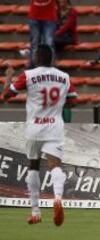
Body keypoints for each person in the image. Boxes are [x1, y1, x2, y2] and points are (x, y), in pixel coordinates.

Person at [2, 44, 78, 226]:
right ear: (51, 58)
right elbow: (74, 101)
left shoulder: (29, 75)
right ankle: (58, 198)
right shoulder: (64, 77)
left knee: (33, 166)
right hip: (54, 126)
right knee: (55, 166)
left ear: (36, 58)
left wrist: (8, 77)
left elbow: (6, 95)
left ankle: (36, 212)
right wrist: (58, 107)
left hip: (34, 127)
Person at [28, 0, 58, 68]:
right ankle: (33, 65)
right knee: (35, 42)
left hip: (49, 16)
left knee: (49, 42)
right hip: (34, 16)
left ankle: (50, 65)